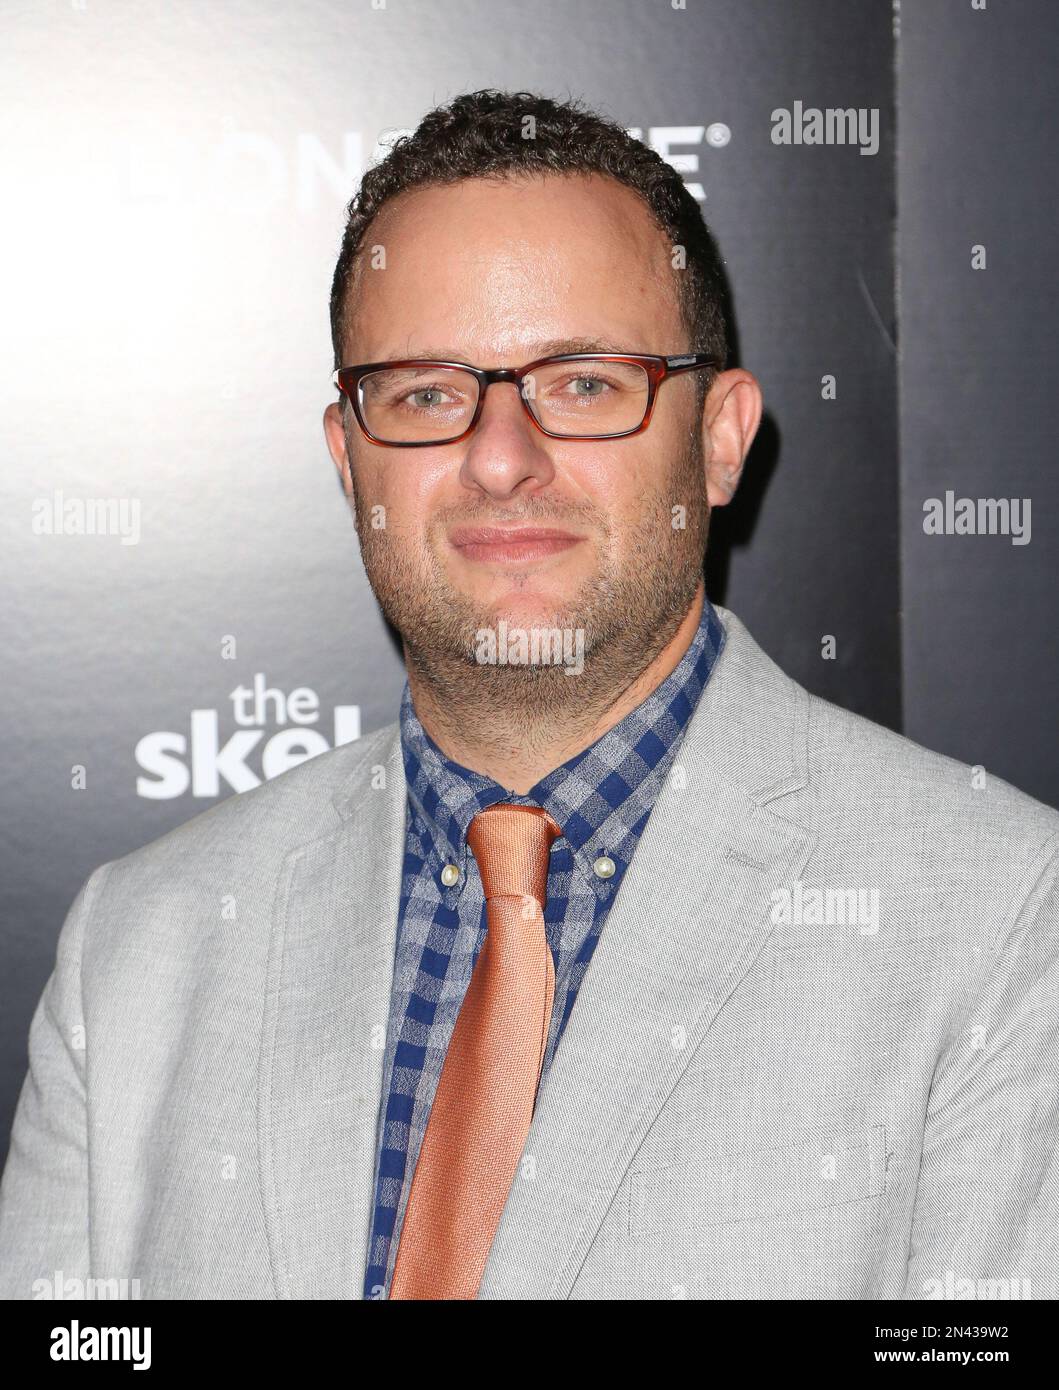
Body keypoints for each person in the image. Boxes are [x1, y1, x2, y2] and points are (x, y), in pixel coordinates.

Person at [2, 89, 1057, 1302]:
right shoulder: (136, 951)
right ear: (350, 463)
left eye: (586, 382)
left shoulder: (1003, 920)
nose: (502, 456)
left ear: (720, 440)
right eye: (426, 394)